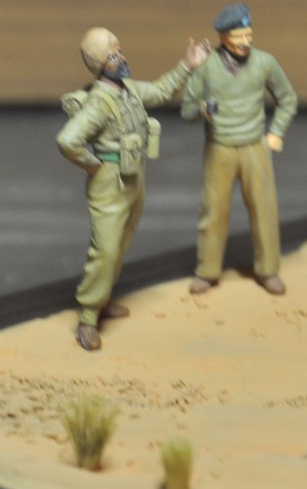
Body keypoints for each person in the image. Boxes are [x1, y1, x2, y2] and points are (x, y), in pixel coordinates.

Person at [57, 27, 210, 351]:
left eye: (120, 51)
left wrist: (188, 65)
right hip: (110, 182)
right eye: (112, 56)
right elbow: (68, 140)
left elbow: (161, 91)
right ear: (99, 65)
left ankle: (103, 299)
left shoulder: (129, 90)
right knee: (105, 251)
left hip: (134, 178)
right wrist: (91, 163)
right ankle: (88, 317)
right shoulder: (99, 103)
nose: (121, 58)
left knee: (121, 244)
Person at [180, 3, 298, 296]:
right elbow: (186, 111)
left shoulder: (265, 62)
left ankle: (268, 269)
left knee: (264, 209)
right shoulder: (206, 67)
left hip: (255, 147)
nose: (245, 42)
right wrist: (203, 109)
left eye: (248, 35)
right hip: (219, 148)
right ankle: (207, 270)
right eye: (238, 37)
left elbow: (288, 99)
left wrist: (276, 132)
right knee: (213, 210)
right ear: (223, 37)